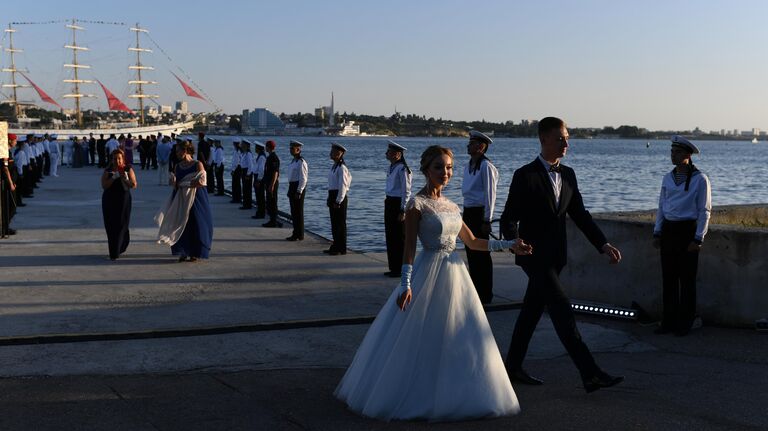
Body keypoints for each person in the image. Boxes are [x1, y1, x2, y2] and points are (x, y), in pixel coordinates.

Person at [335, 145, 531, 421]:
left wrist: (511, 244)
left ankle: (460, 393)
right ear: (426, 170)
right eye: (439, 167)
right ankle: (419, 394)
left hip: (455, 274)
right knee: (421, 337)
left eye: (449, 167)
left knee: (460, 335)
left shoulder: (451, 205)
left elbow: (473, 243)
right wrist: (406, 284)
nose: (445, 172)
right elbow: (409, 248)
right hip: (427, 273)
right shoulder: (416, 204)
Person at [499, 116, 624, 393]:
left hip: (557, 258)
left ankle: (513, 367)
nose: (566, 143)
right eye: (560, 138)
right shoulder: (525, 175)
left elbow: (580, 215)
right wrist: (513, 241)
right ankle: (590, 373)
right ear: (543, 140)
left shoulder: (568, 174)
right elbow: (508, 217)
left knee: (531, 312)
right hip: (533, 257)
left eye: (567, 137)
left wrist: (602, 244)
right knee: (562, 310)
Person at [652, 135, 711, 336]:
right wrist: (657, 231)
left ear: (687, 155)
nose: (673, 155)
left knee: (687, 280)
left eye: (677, 152)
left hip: (687, 231)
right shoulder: (667, 178)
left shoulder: (700, 179)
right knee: (668, 278)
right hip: (669, 230)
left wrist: (698, 238)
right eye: (672, 152)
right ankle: (668, 321)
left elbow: (705, 210)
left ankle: (685, 322)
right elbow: (662, 206)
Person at [156, 140, 213, 262]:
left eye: (178, 151)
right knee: (180, 223)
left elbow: (203, 182)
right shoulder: (178, 166)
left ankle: (194, 252)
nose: (176, 153)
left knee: (196, 223)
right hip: (181, 198)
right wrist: (174, 182)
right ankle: (183, 251)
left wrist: (191, 183)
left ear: (186, 151)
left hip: (196, 198)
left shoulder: (197, 164)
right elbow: (176, 185)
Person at [462, 130, 499, 304]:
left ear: (481, 147)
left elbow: (490, 195)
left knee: (482, 254)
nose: (468, 145)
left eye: (472, 143)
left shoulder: (486, 166)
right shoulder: (468, 165)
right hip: (468, 211)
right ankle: (475, 290)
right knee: (471, 252)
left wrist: (487, 219)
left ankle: (485, 293)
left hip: (479, 213)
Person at [101, 149, 137, 260]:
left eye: (119, 158)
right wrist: (114, 177)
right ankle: (113, 252)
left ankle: (119, 248)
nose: (117, 161)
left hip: (123, 200)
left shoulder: (128, 168)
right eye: (114, 158)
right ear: (111, 159)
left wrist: (125, 178)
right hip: (109, 200)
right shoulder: (108, 170)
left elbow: (134, 184)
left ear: (123, 159)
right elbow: (104, 185)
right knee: (111, 226)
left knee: (122, 225)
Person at [383, 140, 412, 277]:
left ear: (397, 154)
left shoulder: (402, 169)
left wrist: (403, 210)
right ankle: (393, 267)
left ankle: (400, 268)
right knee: (390, 236)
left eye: (389, 151)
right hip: (389, 201)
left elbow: (406, 191)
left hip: (397, 204)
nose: (386, 153)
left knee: (399, 237)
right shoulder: (392, 167)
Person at [324, 142, 351, 253]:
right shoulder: (334, 166)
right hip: (333, 195)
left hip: (338, 197)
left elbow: (343, 186)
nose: (331, 153)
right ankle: (336, 245)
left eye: (334, 152)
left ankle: (341, 247)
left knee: (340, 223)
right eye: (331, 151)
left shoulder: (342, 168)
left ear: (340, 153)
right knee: (334, 223)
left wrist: (338, 201)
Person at [285, 140, 308, 239]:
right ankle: (296, 232)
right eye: (290, 148)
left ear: (298, 149)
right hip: (292, 186)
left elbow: (303, 178)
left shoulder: (301, 162)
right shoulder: (294, 161)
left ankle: (299, 234)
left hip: (297, 187)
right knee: (294, 212)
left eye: (292, 148)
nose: (290, 150)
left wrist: (299, 191)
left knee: (298, 212)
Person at [262, 140, 282, 228]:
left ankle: (273, 221)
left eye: (266, 146)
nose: (265, 148)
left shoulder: (274, 158)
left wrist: (272, 185)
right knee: (269, 202)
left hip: (272, 183)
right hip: (269, 182)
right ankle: (272, 220)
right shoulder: (269, 157)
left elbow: (275, 172)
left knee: (273, 202)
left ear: (269, 147)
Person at [251, 141, 267, 218]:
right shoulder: (260, 156)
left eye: (256, 147)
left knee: (260, 196)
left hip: (259, 178)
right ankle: (259, 212)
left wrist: (258, 180)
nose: (255, 149)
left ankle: (261, 213)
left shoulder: (262, 157)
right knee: (258, 196)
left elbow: (262, 170)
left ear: (259, 148)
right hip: (257, 177)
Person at [239, 139, 254, 210]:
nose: (241, 145)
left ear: (246, 145)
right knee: (244, 188)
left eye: (242, 144)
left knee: (247, 189)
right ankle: (245, 203)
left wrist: (248, 174)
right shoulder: (244, 153)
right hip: (244, 171)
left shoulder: (248, 154)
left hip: (247, 172)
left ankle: (248, 204)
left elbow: (250, 165)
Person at [229, 139, 242, 204]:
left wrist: (233, 170)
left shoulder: (238, 151)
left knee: (235, 184)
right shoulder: (236, 151)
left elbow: (236, 162)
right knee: (236, 184)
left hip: (237, 169)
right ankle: (236, 198)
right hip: (236, 169)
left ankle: (236, 198)